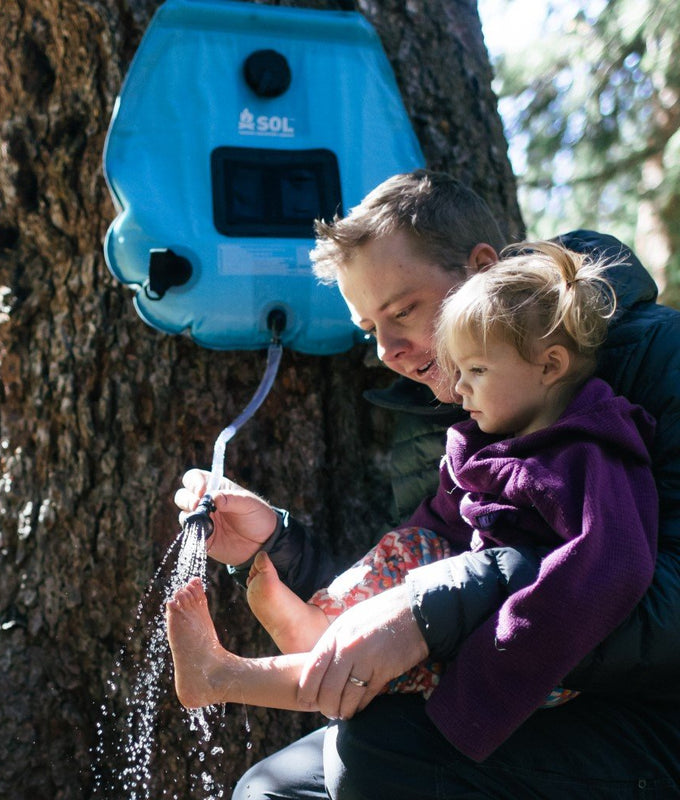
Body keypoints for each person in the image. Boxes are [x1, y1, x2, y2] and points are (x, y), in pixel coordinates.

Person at [174, 171, 680, 797]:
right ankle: (302, 636)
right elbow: (426, 557)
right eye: (369, 329)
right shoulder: (479, 408)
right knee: (270, 791)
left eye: (403, 310)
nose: (386, 349)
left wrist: (433, 613)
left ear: (480, 270)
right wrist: (274, 545)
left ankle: (244, 669)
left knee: (378, 753)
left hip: (648, 710)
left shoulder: (657, 363)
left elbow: (641, 583)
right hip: (509, 668)